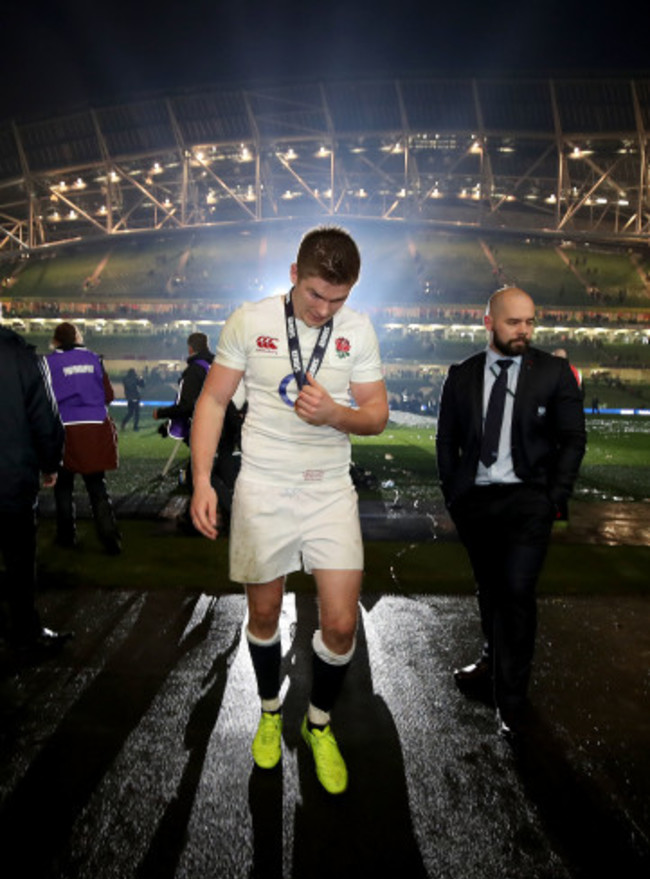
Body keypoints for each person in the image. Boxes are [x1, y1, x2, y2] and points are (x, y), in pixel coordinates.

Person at [190, 226, 388, 794]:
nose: (325, 310)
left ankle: (319, 723)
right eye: (315, 296)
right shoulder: (250, 320)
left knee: (342, 623)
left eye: (338, 299)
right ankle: (271, 710)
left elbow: (375, 414)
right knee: (264, 615)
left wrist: (336, 415)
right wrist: (202, 479)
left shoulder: (358, 330)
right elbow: (213, 399)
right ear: (294, 274)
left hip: (329, 488)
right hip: (264, 485)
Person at [436, 287, 586, 741]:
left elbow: (573, 440)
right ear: (488, 323)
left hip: (528, 502)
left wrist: (552, 498)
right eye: (513, 322)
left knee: (517, 592)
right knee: (489, 590)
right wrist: (453, 495)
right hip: (476, 503)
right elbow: (446, 441)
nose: (524, 330)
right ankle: (490, 661)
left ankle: (512, 700)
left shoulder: (555, 372)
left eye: (530, 322)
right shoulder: (461, 375)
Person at [0, 319, 70, 650]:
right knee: (19, 560)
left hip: (12, 474)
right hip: (12, 478)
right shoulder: (22, 357)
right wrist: (50, 463)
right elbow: (45, 416)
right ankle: (25, 632)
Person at [45, 323, 121, 555]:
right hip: (95, 427)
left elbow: (44, 399)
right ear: (77, 337)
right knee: (97, 486)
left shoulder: (48, 362)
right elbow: (108, 395)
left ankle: (67, 537)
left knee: (63, 487)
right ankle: (110, 539)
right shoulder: (94, 359)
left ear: (55, 340)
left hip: (64, 430)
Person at [152, 332, 214, 450]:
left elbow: (187, 406)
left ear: (190, 348)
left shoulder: (195, 370)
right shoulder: (216, 366)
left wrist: (161, 413)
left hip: (203, 428)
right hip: (222, 425)